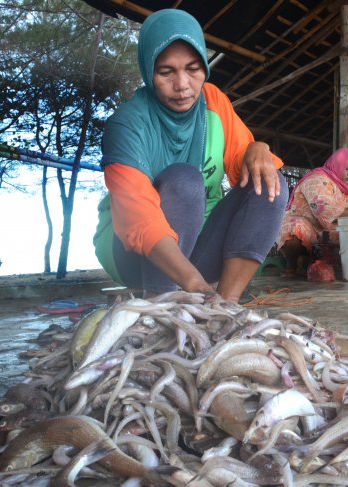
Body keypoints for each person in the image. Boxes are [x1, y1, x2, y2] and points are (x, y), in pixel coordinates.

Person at [93, 9, 288, 302]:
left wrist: (257, 148)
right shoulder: (127, 125)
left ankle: (225, 305)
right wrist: (195, 284)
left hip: (198, 248)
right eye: (166, 71)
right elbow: (139, 221)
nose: (183, 85)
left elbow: (243, 163)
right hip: (136, 254)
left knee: (270, 184)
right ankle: (160, 303)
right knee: (184, 180)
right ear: (148, 70)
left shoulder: (213, 101)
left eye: (193, 68)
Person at [276, 147, 348, 275]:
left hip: (328, 231)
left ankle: (314, 261)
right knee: (294, 229)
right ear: (337, 165)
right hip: (309, 225)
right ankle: (292, 264)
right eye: (347, 168)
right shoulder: (317, 179)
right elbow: (325, 209)